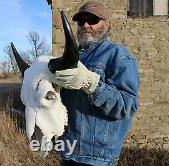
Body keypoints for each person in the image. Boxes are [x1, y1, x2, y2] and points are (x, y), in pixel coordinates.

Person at [49, 1, 139, 166]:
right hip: (68, 153)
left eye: (92, 20)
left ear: (107, 23)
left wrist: (91, 84)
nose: (85, 25)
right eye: (80, 21)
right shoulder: (72, 56)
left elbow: (128, 106)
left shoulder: (118, 55)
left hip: (97, 160)